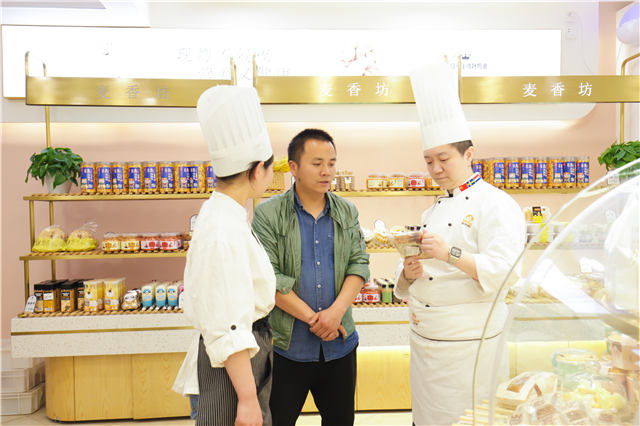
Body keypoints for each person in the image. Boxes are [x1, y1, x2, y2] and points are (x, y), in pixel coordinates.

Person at [396, 64, 526, 426]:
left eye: (443, 159)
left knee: (468, 418)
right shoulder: (433, 209)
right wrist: (409, 270)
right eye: (429, 161)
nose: (435, 169)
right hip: (426, 339)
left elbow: (506, 273)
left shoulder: (496, 204)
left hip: (470, 345)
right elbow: (421, 273)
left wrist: (449, 254)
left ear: (469, 155)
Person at [252, 129, 370, 426]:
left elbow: (359, 264)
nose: (326, 171)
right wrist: (317, 320)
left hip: (340, 344)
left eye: (331, 163)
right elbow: (267, 277)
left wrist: (336, 313)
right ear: (293, 167)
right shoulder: (268, 214)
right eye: (317, 163)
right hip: (286, 347)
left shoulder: (347, 211)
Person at [182, 85, 276, 426]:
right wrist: (248, 399)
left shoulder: (227, 214)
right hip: (232, 368)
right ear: (256, 170)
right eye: (271, 168)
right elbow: (228, 321)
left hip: (241, 360)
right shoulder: (222, 228)